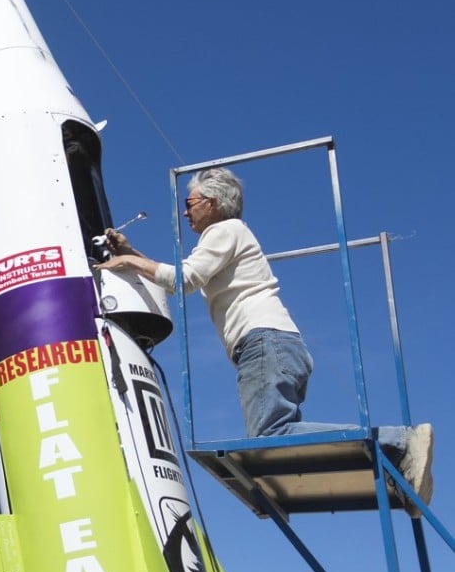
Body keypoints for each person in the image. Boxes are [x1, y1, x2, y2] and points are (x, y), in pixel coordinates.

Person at [93, 167, 434, 513]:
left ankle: (398, 442)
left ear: (211, 203)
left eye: (189, 202)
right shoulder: (230, 235)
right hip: (276, 345)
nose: (185, 212)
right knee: (277, 435)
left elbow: (185, 278)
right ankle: (400, 467)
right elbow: (185, 273)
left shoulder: (225, 229)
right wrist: (132, 253)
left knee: (271, 437)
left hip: (263, 343)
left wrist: (128, 261)